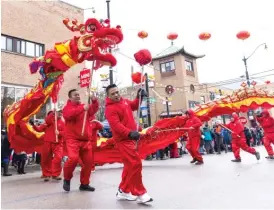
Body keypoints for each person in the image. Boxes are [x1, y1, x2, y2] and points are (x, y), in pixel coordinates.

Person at [105, 84, 153, 204]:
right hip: (123, 141)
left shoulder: (124, 102)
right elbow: (116, 126)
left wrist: (139, 96)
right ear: (108, 96)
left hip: (131, 139)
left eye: (117, 92)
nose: (116, 95)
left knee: (129, 167)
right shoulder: (110, 109)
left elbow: (134, 105)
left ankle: (123, 190)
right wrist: (129, 133)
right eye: (113, 93)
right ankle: (140, 192)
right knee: (135, 163)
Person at [62, 89, 99, 192]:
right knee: (73, 159)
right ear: (70, 98)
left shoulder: (85, 107)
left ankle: (84, 184)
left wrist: (94, 100)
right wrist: (82, 108)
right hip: (72, 139)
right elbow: (69, 115)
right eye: (75, 95)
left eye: (78, 94)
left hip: (85, 140)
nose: (78, 96)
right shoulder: (67, 108)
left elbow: (94, 109)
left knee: (88, 163)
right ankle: (67, 178)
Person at [34, 109, 65, 181]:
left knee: (58, 158)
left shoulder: (63, 122)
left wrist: (59, 133)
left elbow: (66, 133)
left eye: (61, 112)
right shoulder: (49, 122)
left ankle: (55, 174)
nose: (60, 113)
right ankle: (47, 174)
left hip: (58, 143)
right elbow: (39, 129)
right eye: (59, 112)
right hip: (47, 142)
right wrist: (33, 125)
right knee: (45, 159)